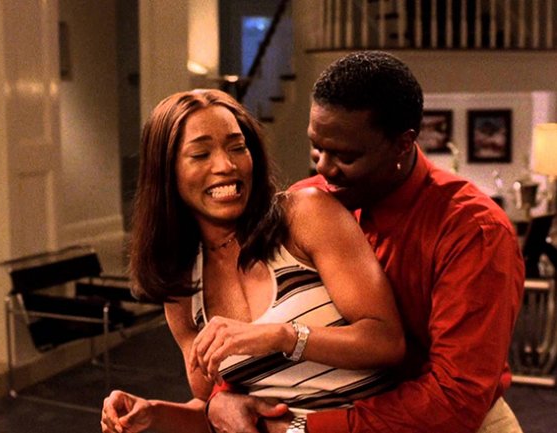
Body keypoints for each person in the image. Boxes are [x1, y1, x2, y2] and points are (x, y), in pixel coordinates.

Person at [205, 51, 525, 433]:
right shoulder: (307, 202)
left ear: (403, 144)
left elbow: (455, 400)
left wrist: (303, 428)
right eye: (317, 148)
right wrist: (222, 396)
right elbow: (269, 317)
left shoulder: (473, 231)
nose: (323, 167)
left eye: (346, 156)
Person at [101, 88, 406, 433]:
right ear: (166, 172)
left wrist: (282, 337)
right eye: (201, 154)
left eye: (237, 147)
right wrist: (153, 412)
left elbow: (387, 341)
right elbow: (217, 411)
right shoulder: (182, 284)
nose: (226, 165)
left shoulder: (304, 214)